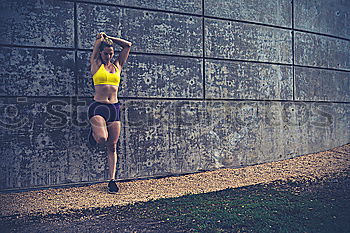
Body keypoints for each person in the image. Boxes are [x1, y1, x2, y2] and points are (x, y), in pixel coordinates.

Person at [88, 32, 132, 193]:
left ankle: (112, 180)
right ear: (100, 53)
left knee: (112, 145)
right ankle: (93, 133)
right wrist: (101, 38)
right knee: (102, 138)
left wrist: (111, 39)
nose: (108, 56)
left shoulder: (117, 65)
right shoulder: (95, 63)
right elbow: (96, 44)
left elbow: (128, 45)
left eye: (111, 53)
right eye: (106, 53)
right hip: (98, 107)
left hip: (114, 108)